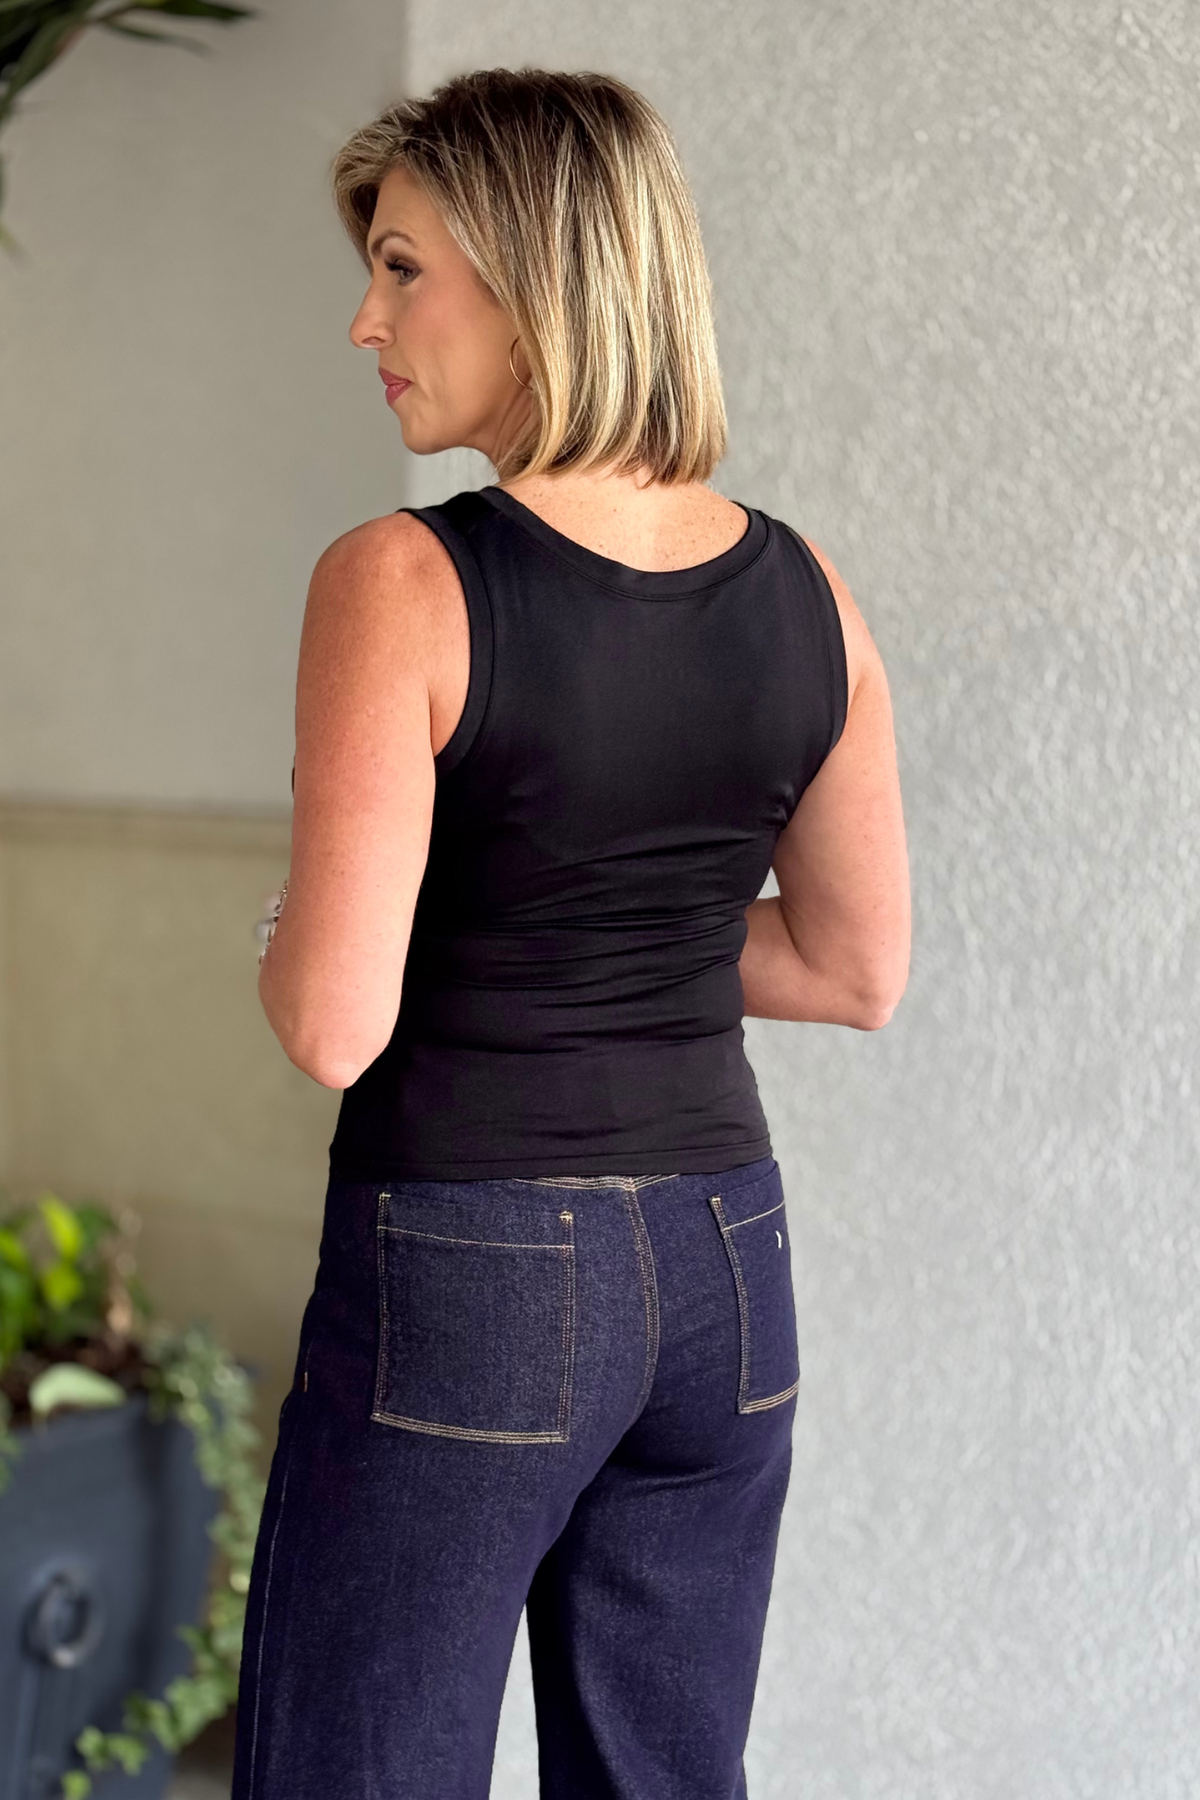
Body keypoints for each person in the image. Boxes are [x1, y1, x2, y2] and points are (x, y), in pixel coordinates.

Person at [232, 65, 909, 1800]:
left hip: (474, 1271)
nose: (360, 319)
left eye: (402, 269)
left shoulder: (400, 578)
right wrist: (629, 935)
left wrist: (317, 920)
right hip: (726, 1277)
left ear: (538, 276)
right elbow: (853, 968)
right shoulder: (806, 587)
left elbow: (330, 1020)